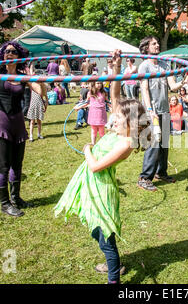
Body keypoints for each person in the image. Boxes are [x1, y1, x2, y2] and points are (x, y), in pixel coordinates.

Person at [54, 49, 150, 284]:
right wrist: (115, 68)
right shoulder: (121, 130)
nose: (113, 119)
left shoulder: (127, 142)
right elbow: (115, 92)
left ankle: (113, 278)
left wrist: (87, 150)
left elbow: (96, 167)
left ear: (130, 122)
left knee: (105, 237)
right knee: (96, 231)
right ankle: (112, 264)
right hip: (91, 183)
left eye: (118, 118)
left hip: (101, 188)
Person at [0, 2, 45, 217]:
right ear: (2, 54)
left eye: (13, 51)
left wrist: (34, 76)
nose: (9, 53)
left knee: (17, 165)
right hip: (0, 123)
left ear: (18, 56)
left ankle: (16, 197)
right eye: (6, 50)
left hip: (18, 122)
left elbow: (39, 90)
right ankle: (5, 203)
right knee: (4, 165)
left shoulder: (22, 75)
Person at [137, 36, 183, 192]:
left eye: (157, 43)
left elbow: (173, 86)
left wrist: (183, 81)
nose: (157, 45)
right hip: (152, 111)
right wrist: (150, 110)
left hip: (164, 109)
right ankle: (144, 178)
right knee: (154, 144)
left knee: (164, 144)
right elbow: (144, 89)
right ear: (146, 48)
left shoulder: (164, 64)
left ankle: (161, 172)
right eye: (154, 43)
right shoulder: (144, 66)